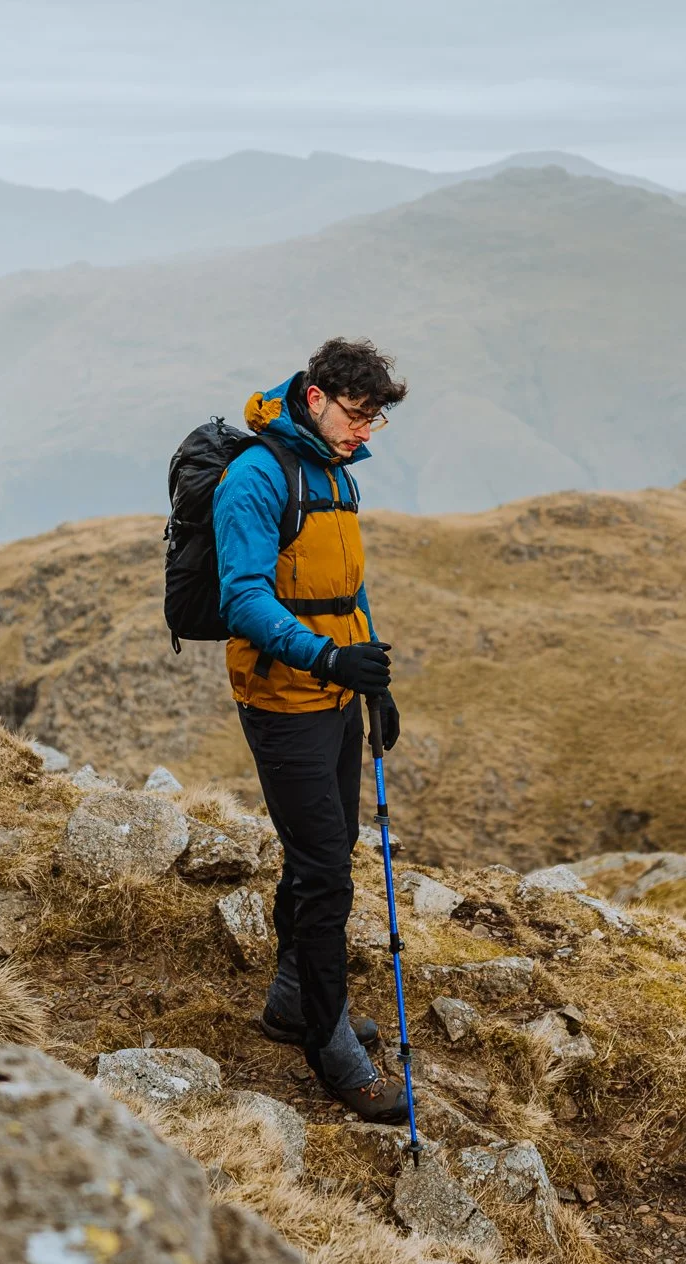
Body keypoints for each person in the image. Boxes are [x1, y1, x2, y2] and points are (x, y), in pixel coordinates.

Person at [213, 336, 409, 1121]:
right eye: (357, 416)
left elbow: (346, 589)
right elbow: (245, 602)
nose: (365, 433)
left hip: (333, 698)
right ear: (317, 396)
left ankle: (293, 997)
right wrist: (331, 660)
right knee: (326, 869)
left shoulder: (334, 474)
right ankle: (329, 1041)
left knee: (328, 851)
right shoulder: (255, 478)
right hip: (283, 703)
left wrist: (371, 682)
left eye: (375, 422)